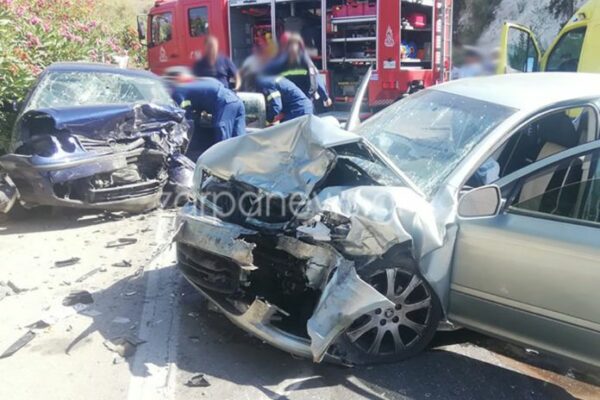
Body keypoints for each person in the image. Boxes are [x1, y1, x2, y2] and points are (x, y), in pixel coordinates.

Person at [166, 68, 245, 159]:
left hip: (225, 104)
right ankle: (242, 160)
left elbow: (179, 112)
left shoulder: (180, 89)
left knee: (222, 137)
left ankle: (221, 163)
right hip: (237, 101)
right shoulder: (202, 82)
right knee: (239, 137)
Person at [264, 32, 331, 109]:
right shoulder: (305, 60)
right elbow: (316, 78)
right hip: (302, 101)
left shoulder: (278, 61)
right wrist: (325, 98)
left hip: (291, 102)